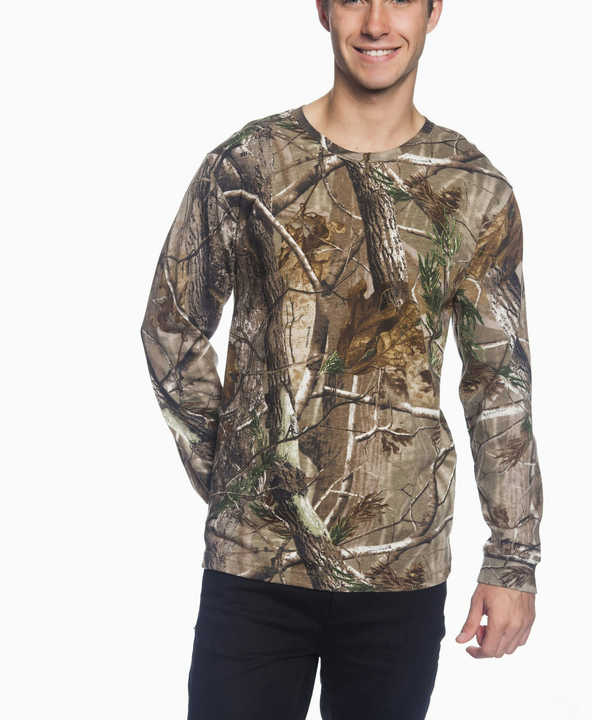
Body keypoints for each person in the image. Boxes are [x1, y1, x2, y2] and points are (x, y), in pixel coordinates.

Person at [139, 1, 543, 718]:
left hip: (401, 566)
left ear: (434, 12)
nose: (377, 22)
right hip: (255, 567)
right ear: (323, 9)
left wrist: (513, 558)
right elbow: (172, 326)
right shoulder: (250, 164)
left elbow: (498, 382)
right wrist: (239, 475)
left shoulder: (474, 189)